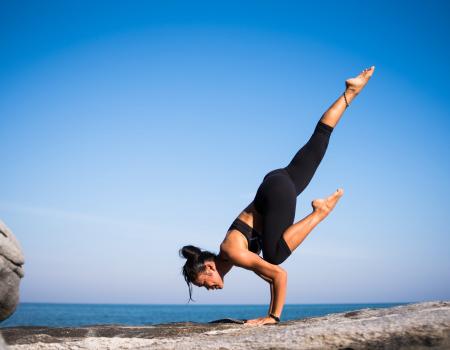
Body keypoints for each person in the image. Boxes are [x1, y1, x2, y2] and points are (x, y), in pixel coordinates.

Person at [179, 66, 375, 325]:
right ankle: (350, 92)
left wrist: (272, 317)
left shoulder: (232, 252)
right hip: (276, 182)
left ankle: (320, 212)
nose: (209, 288)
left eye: (204, 283)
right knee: (318, 142)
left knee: (274, 256)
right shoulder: (230, 255)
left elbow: (278, 274)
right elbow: (268, 276)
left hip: (276, 194)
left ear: (210, 268)